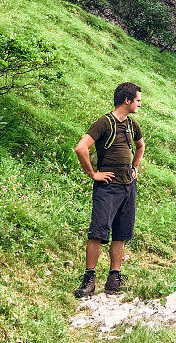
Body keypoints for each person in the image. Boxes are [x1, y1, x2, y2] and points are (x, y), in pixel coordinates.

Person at [73, 82, 145, 297]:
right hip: (107, 187)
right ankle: (89, 280)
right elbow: (81, 147)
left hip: (127, 187)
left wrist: (135, 167)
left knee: (120, 234)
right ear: (127, 100)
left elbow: (140, 146)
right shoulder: (104, 122)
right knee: (97, 232)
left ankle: (114, 279)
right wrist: (94, 174)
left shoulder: (132, 125)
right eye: (138, 100)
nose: (139, 104)